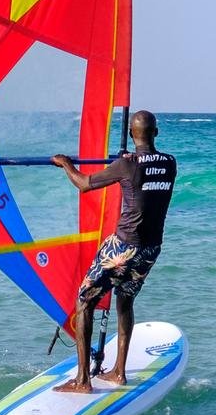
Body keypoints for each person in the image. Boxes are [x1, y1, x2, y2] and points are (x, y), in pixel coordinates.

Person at [49, 110, 177, 393]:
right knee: (125, 301)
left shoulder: (126, 165)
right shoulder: (170, 163)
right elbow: (145, 169)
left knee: (84, 301)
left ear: (132, 134)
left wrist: (67, 164)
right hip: (150, 249)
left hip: (123, 247)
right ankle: (118, 371)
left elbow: (84, 184)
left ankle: (83, 381)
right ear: (156, 133)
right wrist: (125, 161)